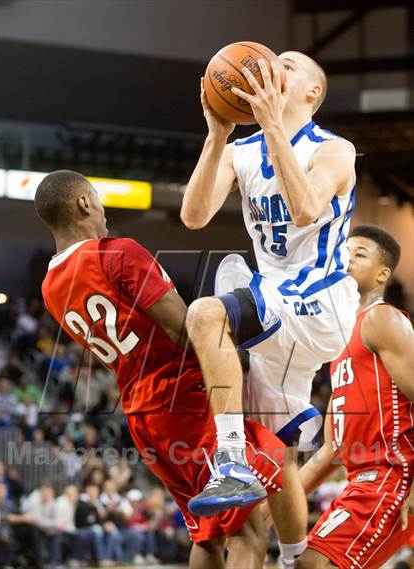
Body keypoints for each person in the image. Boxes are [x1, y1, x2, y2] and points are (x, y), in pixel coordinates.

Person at [34, 169, 296, 569]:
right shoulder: (115, 251)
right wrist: (239, 319)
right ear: (84, 203)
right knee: (247, 531)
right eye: (98, 200)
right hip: (184, 400)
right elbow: (182, 328)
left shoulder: (50, 285)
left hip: (142, 412)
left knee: (207, 535)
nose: (104, 212)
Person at [181, 50, 359, 564]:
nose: (273, 67)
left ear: (311, 93)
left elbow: (306, 207)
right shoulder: (244, 151)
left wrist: (271, 124)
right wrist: (218, 135)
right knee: (277, 455)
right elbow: (193, 216)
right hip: (279, 310)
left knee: (205, 313)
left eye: (288, 65)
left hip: (320, 300)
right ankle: (296, 555)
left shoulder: (334, 149)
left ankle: (229, 457)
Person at [295, 225, 414, 569]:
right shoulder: (340, 339)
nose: (346, 260)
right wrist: (283, 500)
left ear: (382, 274)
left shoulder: (381, 318)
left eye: (359, 254)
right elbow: (333, 448)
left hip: (393, 476)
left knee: (313, 564)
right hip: (359, 480)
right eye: (344, 253)